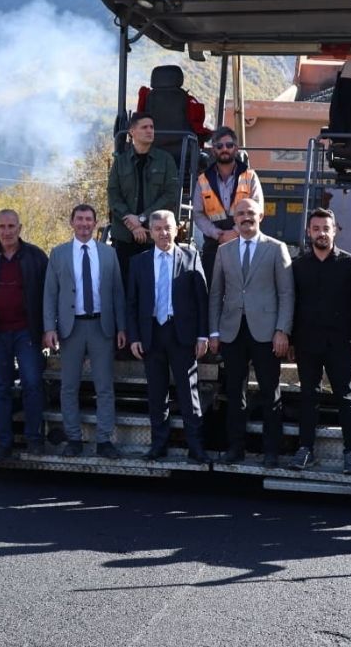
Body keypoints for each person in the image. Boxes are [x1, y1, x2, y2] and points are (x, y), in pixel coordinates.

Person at [208, 198, 293, 465]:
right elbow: (216, 294)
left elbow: (286, 293)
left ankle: (271, 451)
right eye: (240, 213)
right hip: (232, 331)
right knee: (235, 392)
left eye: (251, 213)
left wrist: (282, 330)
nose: (246, 217)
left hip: (267, 333)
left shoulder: (277, 248)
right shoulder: (225, 251)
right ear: (234, 219)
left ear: (261, 216)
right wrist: (213, 331)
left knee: (270, 392)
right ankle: (236, 448)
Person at [127, 210, 212, 464]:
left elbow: (201, 300)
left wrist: (202, 336)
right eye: (158, 229)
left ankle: (195, 447)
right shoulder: (139, 262)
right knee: (156, 394)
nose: (164, 233)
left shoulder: (191, 256)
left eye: (168, 228)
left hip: (182, 334)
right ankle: (158, 445)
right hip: (151, 334)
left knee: (189, 394)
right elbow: (131, 303)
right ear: (150, 232)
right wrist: (134, 337)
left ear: (177, 229)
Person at [43, 204, 127, 458]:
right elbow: (49, 293)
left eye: (88, 219)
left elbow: (117, 293)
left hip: (102, 326)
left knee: (104, 387)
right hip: (71, 328)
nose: (84, 224)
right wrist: (49, 328)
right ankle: (74, 439)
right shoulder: (58, 254)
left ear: (95, 223)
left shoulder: (108, 254)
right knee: (69, 387)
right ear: (72, 222)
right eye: (79, 219)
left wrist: (122, 327)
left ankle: (104, 441)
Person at [289, 209, 351, 474]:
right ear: (308, 232)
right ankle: (305, 449)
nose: (321, 233)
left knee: (345, 397)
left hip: (340, 343)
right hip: (306, 342)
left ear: (335, 231)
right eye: (316, 228)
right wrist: (290, 340)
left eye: (326, 228)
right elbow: (292, 305)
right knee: (308, 395)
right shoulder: (298, 266)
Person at [0, 209, 50, 460]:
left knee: (32, 384)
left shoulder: (36, 257)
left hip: (28, 332)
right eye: (2, 226)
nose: (7, 231)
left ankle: (35, 439)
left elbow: (49, 296)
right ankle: (3, 443)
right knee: (0, 388)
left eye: (11, 226)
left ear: (20, 228)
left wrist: (48, 329)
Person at [107, 112, 179, 287]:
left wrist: (141, 219)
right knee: (124, 287)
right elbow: (113, 194)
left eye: (152, 127)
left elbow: (171, 195)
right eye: (144, 127)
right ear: (132, 131)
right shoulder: (121, 162)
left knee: (152, 288)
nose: (150, 131)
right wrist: (132, 224)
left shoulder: (165, 161)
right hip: (124, 237)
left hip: (154, 238)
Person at [192, 126, 264, 278]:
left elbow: (258, 209)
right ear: (213, 150)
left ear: (236, 148)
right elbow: (198, 214)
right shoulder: (202, 180)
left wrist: (235, 232)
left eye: (229, 145)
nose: (224, 149)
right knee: (212, 293)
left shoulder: (250, 176)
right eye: (219, 146)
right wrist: (216, 234)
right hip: (213, 245)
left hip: (244, 242)